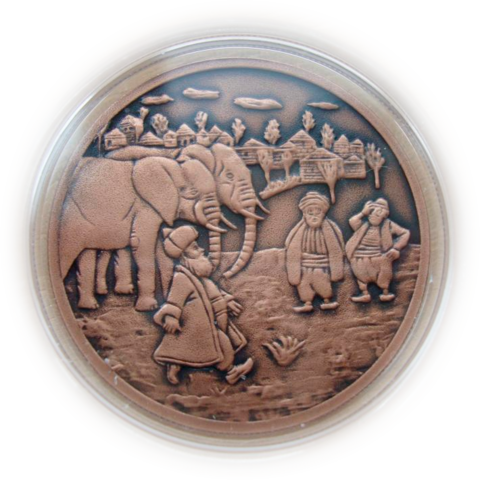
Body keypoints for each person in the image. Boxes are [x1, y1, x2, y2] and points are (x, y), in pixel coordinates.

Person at [153, 225, 253, 385]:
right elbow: (174, 301)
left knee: (181, 350)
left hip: (206, 323)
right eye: (194, 248)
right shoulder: (182, 278)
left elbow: (213, 291)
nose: (201, 250)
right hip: (196, 325)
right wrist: (171, 317)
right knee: (222, 345)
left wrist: (227, 300)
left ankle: (174, 367)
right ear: (184, 255)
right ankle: (231, 372)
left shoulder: (199, 277)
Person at [285, 192, 345, 313]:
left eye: (317, 213)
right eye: (310, 213)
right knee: (304, 284)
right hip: (304, 266)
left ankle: (327, 301)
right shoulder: (299, 230)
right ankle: (307, 303)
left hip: (322, 265)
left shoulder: (330, 230)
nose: (314, 217)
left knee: (322, 283)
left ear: (323, 213)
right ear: (304, 214)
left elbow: (337, 247)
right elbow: (290, 245)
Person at [346, 199, 410, 303]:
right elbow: (352, 221)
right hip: (359, 256)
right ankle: (364, 293)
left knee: (384, 274)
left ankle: (385, 293)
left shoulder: (388, 225)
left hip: (379, 256)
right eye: (371, 212)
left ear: (384, 214)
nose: (373, 215)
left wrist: (396, 248)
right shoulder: (363, 225)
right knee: (361, 276)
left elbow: (405, 233)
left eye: (377, 212)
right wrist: (362, 213)